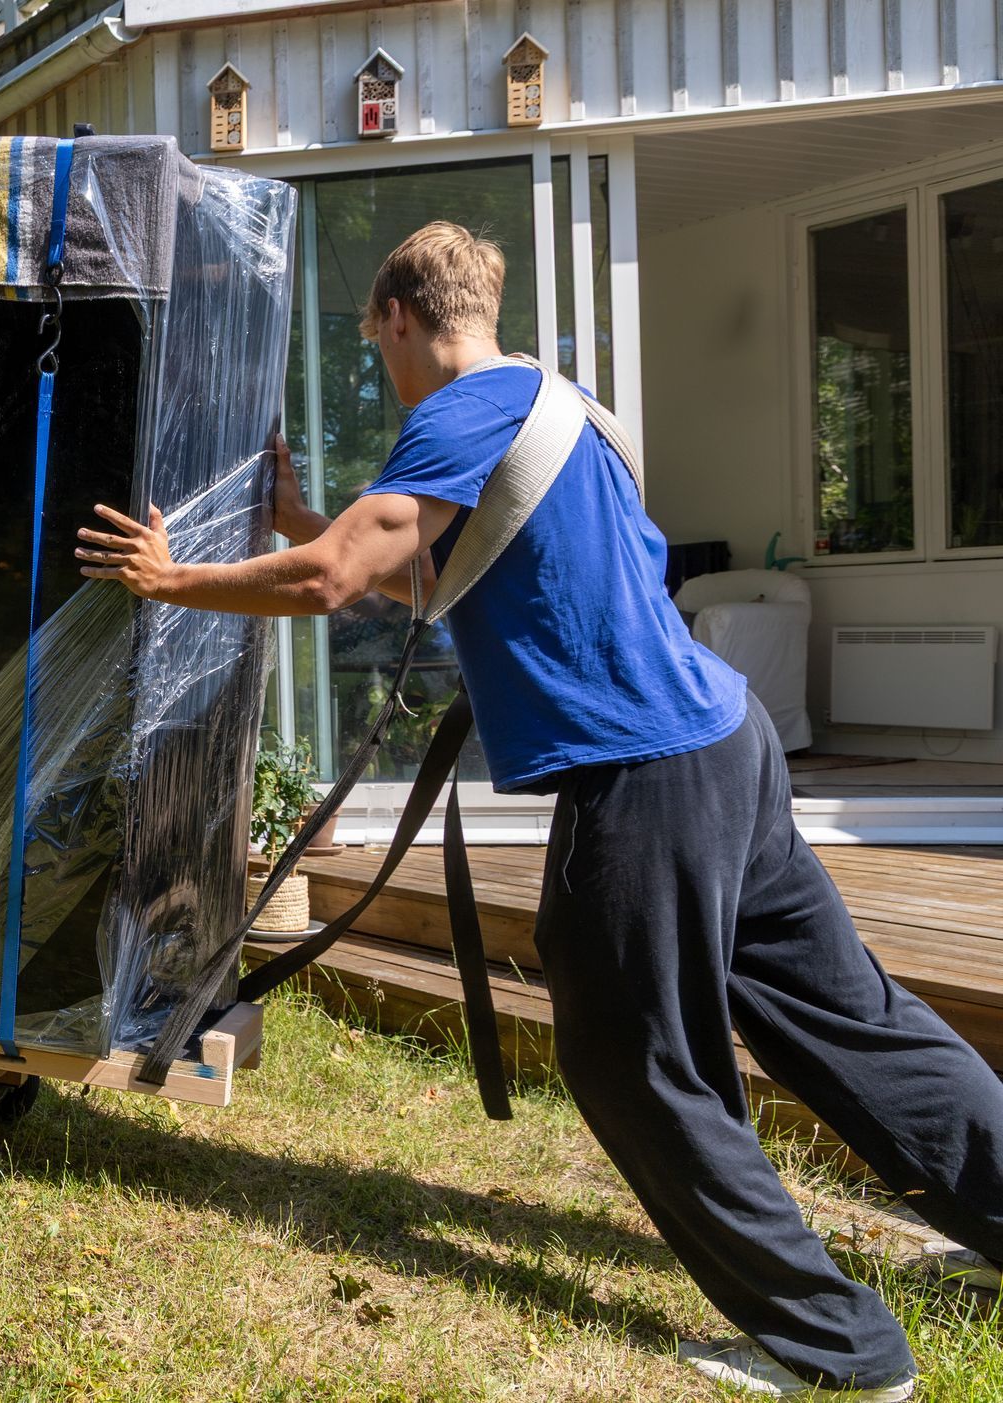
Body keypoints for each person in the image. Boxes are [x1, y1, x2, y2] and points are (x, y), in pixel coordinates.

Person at [77, 221, 1003, 1400]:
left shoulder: (456, 411)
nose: (384, 374)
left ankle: (841, 1348)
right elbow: (425, 574)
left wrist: (172, 578)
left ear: (402, 322)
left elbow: (332, 585)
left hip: (648, 771)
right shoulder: (564, 410)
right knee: (849, 1014)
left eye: (377, 352)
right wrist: (307, 516)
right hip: (727, 738)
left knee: (630, 1061)